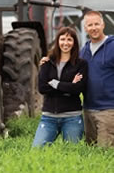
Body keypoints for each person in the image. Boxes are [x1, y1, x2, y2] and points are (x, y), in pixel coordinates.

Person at [32, 27, 87, 147]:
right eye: (62, 39)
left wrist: (55, 83)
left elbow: (79, 88)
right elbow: (42, 88)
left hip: (72, 117)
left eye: (69, 39)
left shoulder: (81, 64)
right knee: (37, 151)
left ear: (74, 43)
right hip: (49, 117)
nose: (65, 43)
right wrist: (69, 86)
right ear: (57, 41)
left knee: (72, 154)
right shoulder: (47, 63)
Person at [78, 11, 114, 146]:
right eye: (90, 25)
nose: (94, 28)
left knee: (105, 152)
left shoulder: (112, 46)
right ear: (85, 28)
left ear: (103, 25)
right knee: (90, 152)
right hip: (88, 109)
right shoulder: (84, 51)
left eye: (96, 24)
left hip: (108, 110)